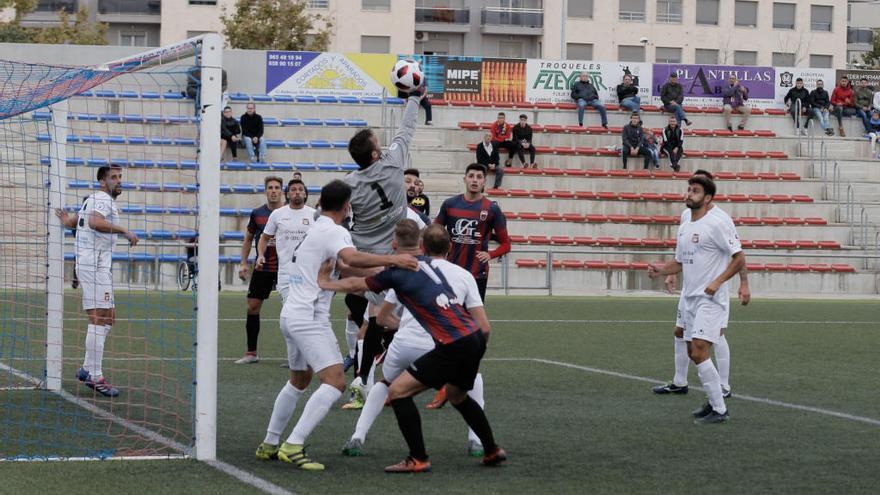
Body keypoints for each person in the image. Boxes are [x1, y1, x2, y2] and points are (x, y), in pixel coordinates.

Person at [254, 180, 418, 471]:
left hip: (291, 314)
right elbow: (350, 257)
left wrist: (380, 271)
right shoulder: (335, 230)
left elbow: (343, 266)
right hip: (309, 318)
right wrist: (393, 260)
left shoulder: (316, 228)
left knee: (299, 380)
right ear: (346, 206)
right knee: (335, 383)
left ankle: (270, 442)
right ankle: (293, 444)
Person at [317, 224, 506, 473]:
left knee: (397, 391)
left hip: (450, 345)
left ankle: (418, 457)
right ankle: (491, 449)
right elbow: (371, 272)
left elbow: (358, 284)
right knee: (457, 395)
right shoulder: (428, 265)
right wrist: (345, 268)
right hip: (473, 338)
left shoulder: (397, 274)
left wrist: (325, 282)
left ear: (397, 246)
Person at [343, 88, 423, 410]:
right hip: (403, 255)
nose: (382, 144)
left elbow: (342, 214)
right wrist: (415, 97)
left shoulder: (350, 184)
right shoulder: (392, 163)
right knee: (395, 319)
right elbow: (407, 128)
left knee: (376, 317)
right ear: (376, 154)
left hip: (374, 261)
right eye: (378, 142)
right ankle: (388, 376)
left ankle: (363, 380)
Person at [648, 175, 746, 424]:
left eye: (696, 191)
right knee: (692, 350)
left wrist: (719, 281)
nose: (689, 193)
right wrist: (662, 270)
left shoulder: (717, 223)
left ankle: (720, 407)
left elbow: (739, 258)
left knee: (700, 350)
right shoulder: (685, 224)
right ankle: (714, 403)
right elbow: (680, 263)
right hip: (690, 298)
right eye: (689, 189)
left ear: (708, 197)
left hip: (710, 299)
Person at [426, 163, 511, 411]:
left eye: (479, 177)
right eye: (471, 176)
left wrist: (491, 254)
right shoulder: (450, 204)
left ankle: (462, 381)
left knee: (471, 331)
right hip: (450, 275)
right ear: (464, 179)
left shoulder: (492, 208)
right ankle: (448, 380)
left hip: (476, 277)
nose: (475, 180)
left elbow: (507, 243)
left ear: (484, 182)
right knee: (445, 327)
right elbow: (434, 231)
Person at [53, 165, 138, 397]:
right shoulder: (102, 199)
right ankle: (95, 376)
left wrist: (67, 219)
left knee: (109, 317)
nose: (119, 181)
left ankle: (86, 368)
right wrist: (124, 230)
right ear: (103, 182)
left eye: (120, 177)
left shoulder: (93, 199)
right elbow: (94, 222)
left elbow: (78, 222)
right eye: (114, 178)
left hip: (96, 265)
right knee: (100, 317)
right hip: (94, 265)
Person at [235, 176, 285, 364]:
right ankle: (251, 353)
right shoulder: (257, 213)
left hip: (285, 269)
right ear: (265, 191)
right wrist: (243, 263)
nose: (273, 190)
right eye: (270, 187)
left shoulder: (289, 212)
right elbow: (248, 239)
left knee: (293, 311)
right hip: (262, 266)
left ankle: (295, 357)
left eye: (277, 187)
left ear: (281, 191)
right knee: (252, 307)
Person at [256, 179, 315, 302]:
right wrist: (261, 255)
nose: (297, 192)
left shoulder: (314, 215)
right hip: (286, 273)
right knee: (290, 308)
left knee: (307, 311)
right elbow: (264, 238)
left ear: (305, 194)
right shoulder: (278, 214)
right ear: (287, 194)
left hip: (309, 272)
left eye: (300, 190)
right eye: (293, 190)